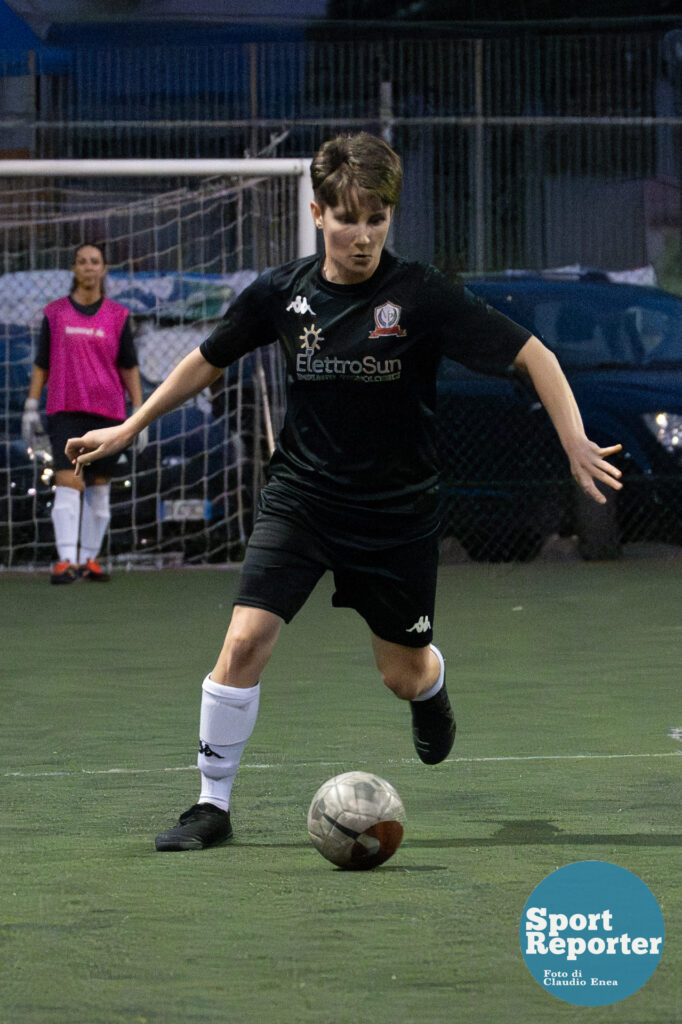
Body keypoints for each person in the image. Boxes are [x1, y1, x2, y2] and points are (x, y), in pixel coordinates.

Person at [65, 134, 623, 851]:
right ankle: (211, 807)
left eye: (378, 219)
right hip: (302, 497)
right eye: (349, 218)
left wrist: (573, 438)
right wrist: (130, 425)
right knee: (244, 641)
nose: (363, 237)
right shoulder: (282, 293)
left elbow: (533, 355)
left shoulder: (421, 295)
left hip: (396, 511)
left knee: (400, 672)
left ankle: (431, 688)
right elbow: (206, 361)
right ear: (318, 212)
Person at [22, 243, 146, 584]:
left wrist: (139, 412)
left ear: (103, 269)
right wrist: (32, 404)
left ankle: (89, 560)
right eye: (82, 262)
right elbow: (42, 363)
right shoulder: (55, 313)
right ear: (74, 269)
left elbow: (129, 366)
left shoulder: (118, 316)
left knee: (99, 486)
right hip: (65, 409)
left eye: (95, 262)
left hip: (108, 411)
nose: (89, 267)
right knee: (68, 480)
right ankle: (66, 561)